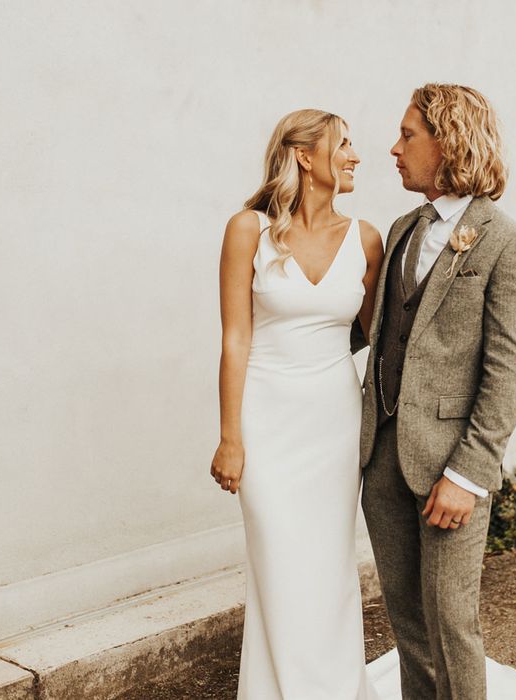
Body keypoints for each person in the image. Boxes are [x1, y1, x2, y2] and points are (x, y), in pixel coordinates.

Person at [360, 83, 516, 700]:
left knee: (452, 624)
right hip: (385, 457)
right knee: (407, 625)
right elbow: (382, 333)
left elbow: (508, 370)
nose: (393, 148)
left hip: (449, 467)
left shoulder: (508, 243)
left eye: (407, 135)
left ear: (448, 140)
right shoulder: (402, 229)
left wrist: (467, 475)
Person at [210, 108, 384, 699]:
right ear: (305, 156)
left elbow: (383, 342)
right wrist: (230, 436)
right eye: (344, 145)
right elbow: (236, 338)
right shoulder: (246, 230)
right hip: (266, 420)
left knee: (329, 567)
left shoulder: (366, 239)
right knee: (279, 565)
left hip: (335, 422)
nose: (357, 156)